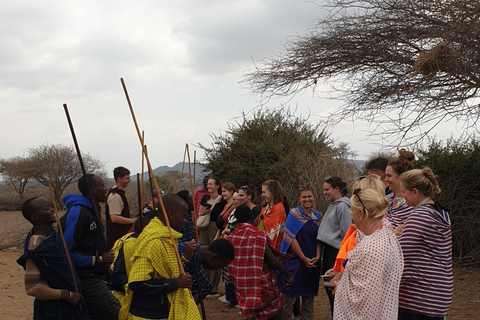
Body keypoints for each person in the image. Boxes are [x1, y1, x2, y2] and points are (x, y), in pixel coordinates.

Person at [120, 193, 200, 320]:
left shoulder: (166, 237)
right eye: (184, 216)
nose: (185, 221)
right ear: (170, 214)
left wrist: (185, 257)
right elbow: (137, 283)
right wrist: (175, 283)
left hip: (160, 310)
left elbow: (165, 271)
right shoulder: (154, 241)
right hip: (148, 313)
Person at [333, 188, 403, 320]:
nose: (351, 215)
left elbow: (361, 303)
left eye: (352, 210)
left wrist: (340, 287)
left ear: (361, 213)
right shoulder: (387, 234)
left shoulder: (369, 248)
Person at [17, 197, 88, 320]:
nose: (52, 210)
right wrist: (68, 295)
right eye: (47, 209)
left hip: (68, 304)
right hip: (54, 309)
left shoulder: (50, 235)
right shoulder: (37, 244)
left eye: (50, 206)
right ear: (34, 217)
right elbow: (32, 287)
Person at [61, 174, 120, 320]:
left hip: (99, 274)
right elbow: (67, 252)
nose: (105, 188)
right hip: (86, 278)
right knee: (120, 313)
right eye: (102, 185)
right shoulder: (78, 212)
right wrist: (99, 259)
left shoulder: (93, 210)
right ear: (93, 189)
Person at [398, 167, 452, 319]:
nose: (402, 196)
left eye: (403, 192)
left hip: (419, 298)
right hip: (436, 295)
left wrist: (395, 233)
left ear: (415, 192)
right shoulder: (439, 212)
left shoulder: (421, 216)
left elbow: (396, 251)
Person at [228, 205, 294, 320]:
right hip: (262, 286)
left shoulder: (232, 238)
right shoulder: (258, 235)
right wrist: (287, 273)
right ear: (252, 217)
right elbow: (272, 260)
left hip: (243, 289)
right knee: (274, 309)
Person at [278, 187, 322, 320]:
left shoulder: (318, 216)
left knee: (308, 298)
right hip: (295, 261)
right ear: (299, 199)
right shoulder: (294, 214)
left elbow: (320, 238)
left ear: (314, 197)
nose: (307, 199)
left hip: (312, 261)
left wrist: (318, 256)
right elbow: (291, 238)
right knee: (289, 297)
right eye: (304, 197)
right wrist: (303, 258)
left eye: (309, 196)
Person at [316, 176, 351, 315]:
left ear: (337, 189)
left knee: (334, 289)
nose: (324, 192)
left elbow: (347, 233)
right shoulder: (333, 205)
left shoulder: (342, 206)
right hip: (329, 251)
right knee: (329, 288)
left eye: (327, 189)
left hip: (337, 252)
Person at [178, 238, 235, 304]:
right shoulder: (189, 255)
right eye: (219, 266)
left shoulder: (197, 254)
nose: (216, 269)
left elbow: (206, 286)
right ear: (214, 257)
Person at [109, 217, 151, 303]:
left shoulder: (145, 243)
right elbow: (117, 274)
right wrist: (133, 289)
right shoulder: (130, 245)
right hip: (123, 290)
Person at [198, 177, 226, 296]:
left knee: (215, 254)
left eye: (210, 184)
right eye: (207, 184)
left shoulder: (222, 201)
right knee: (203, 254)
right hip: (204, 228)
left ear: (217, 186)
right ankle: (204, 284)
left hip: (215, 228)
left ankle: (213, 287)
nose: (208, 186)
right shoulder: (205, 198)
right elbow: (199, 213)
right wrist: (203, 213)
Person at [385, 149, 415, 234]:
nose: (386, 179)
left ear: (402, 176)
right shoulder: (386, 200)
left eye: (389, 176)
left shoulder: (412, 204)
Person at [106, 166, 136, 250]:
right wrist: (134, 220)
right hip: (117, 239)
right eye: (127, 178)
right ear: (119, 179)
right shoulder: (115, 196)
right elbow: (114, 218)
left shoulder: (119, 194)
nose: (129, 180)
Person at [256, 179, 287, 251]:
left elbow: (274, 234)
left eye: (264, 192)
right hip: (260, 246)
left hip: (269, 250)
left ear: (272, 192)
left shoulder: (279, 210)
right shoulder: (265, 208)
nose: (262, 195)